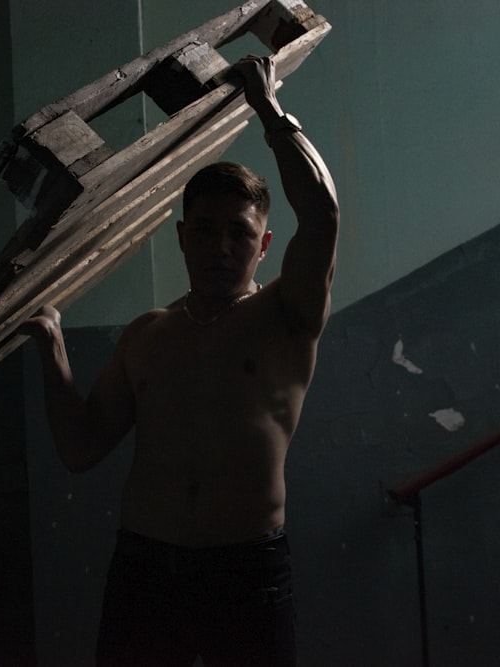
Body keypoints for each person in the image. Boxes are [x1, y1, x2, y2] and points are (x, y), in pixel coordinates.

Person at [21, 55, 339, 666]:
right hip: (145, 568)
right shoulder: (148, 335)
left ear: (264, 243)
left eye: (240, 233)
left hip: (246, 570)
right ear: (182, 236)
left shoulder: (287, 317)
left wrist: (269, 109)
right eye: (206, 230)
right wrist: (52, 346)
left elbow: (322, 213)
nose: (222, 248)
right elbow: (82, 448)